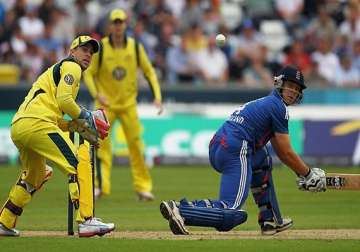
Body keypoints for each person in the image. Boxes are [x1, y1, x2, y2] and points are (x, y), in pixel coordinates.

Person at [160, 66, 327, 235]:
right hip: (236, 148)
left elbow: (280, 150)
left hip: (219, 145)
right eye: (290, 86)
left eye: (297, 89)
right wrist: (308, 174)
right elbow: (285, 152)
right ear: (279, 83)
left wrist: (302, 173)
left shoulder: (266, 102)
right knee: (232, 212)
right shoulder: (279, 107)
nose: (293, 91)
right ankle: (182, 210)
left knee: (262, 159)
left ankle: (270, 220)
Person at [0, 35, 115, 237]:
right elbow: (64, 101)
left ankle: (4, 221)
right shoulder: (72, 67)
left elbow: (55, 112)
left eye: (91, 52)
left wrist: (73, 125)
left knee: (37, 174)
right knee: (78, 163)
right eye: (84, 50)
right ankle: (87, 220)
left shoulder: (60, 71)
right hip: (37, 123)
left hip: (21, 125)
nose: (88, 54)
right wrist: (87, 116)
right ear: (72, 51)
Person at [83, 9, 163, 201]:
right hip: (105, 106)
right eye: (115, 23)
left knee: (136, 146)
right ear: (110, 25)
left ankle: (143, 188)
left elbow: (149, 71)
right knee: (101, 146)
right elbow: (88, 73)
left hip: (128, 105)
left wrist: (157, 96)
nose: (118, 26)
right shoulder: (101, 48)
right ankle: (99, 186)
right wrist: (97, 94)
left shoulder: (135, 47)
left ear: (125, 24)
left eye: (121, 22)